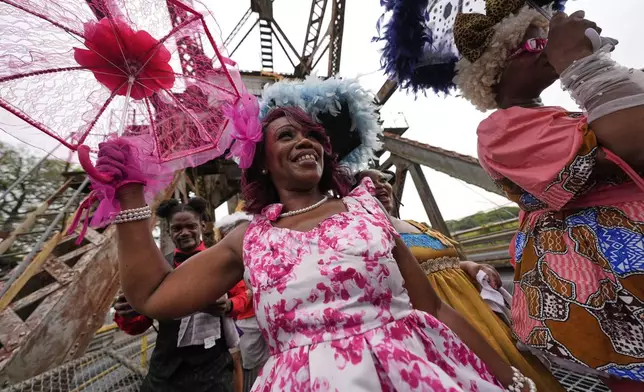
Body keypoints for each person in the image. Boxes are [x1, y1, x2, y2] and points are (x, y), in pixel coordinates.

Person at [93, 76, 540, 391]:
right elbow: (152, 295)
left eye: (313, 135)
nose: (306, 141)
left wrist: (512, 380)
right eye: (288, 134)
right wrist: (129, 198)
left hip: (416, 373)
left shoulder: (366, 211)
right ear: (263, 160)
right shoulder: (248, 239)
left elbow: (435, 309)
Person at [378, 0, 644, 390]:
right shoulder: (501, 132)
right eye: (532, 44)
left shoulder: (557, 117)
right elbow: (633, 144)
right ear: (495, 71)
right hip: (606, 277)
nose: (545, 47)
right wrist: (582, 63)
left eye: (545, 40)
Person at [357, 169, 566, 392]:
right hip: (443, 323)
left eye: (383, 180)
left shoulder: (417, 225)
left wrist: (470, 266)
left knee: (518, 368)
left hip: (478, 312)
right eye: (367, 183)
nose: (379, 186)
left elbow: (445, 262)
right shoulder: (365, 238)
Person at [113, 197, 241, 392]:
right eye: (177, 228)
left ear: (202, 225)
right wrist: (129, 311)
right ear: (169, 231)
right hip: (167, 371)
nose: (184, 233)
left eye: (190, 226)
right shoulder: (157, 270)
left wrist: (229, 305)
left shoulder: (222, 261)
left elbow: (247, 299)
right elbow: (140, 323)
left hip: (213, 370)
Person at [215, 212, 270, 392]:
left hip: (265, 318)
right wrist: (243, 298)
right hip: (243, 323)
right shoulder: (223, 266)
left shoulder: (259, 257)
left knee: (270, 362)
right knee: (249, 367)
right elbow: (225, 300)